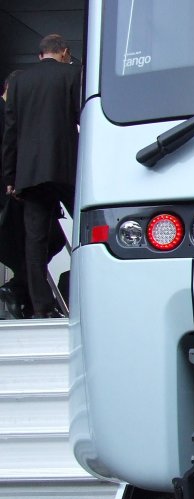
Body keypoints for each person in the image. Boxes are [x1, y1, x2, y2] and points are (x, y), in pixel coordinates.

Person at [2, 34, 80, 319]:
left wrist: (10, 176)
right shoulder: (73, 74)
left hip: (30, 173)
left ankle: (41, 307)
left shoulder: (20, 81)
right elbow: (83, 118)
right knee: (88, 232)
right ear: (64, 52)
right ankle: (89, 292)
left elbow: (11, 132)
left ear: (40, 55)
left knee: (33, 242)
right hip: (66, 167)